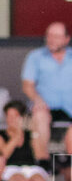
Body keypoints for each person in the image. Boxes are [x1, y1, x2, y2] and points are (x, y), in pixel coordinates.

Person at [0, 99, 50, 181]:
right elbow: (2, 156)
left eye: (15, 116)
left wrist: (35, 133)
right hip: (10, 168)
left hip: (31, 168)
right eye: (9, 116)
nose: (12, 119)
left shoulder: (30, 135)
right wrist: (16, 136)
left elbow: (41, 155)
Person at [21, 21, 72, 149]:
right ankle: (43, 159)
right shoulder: (35, 57)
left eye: (56, 36)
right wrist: (37, 100)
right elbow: (27, 85)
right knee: (39, 117)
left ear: (66, 39)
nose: (51, 40)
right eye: (49, 35)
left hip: (70, 106)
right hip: (45, 106)